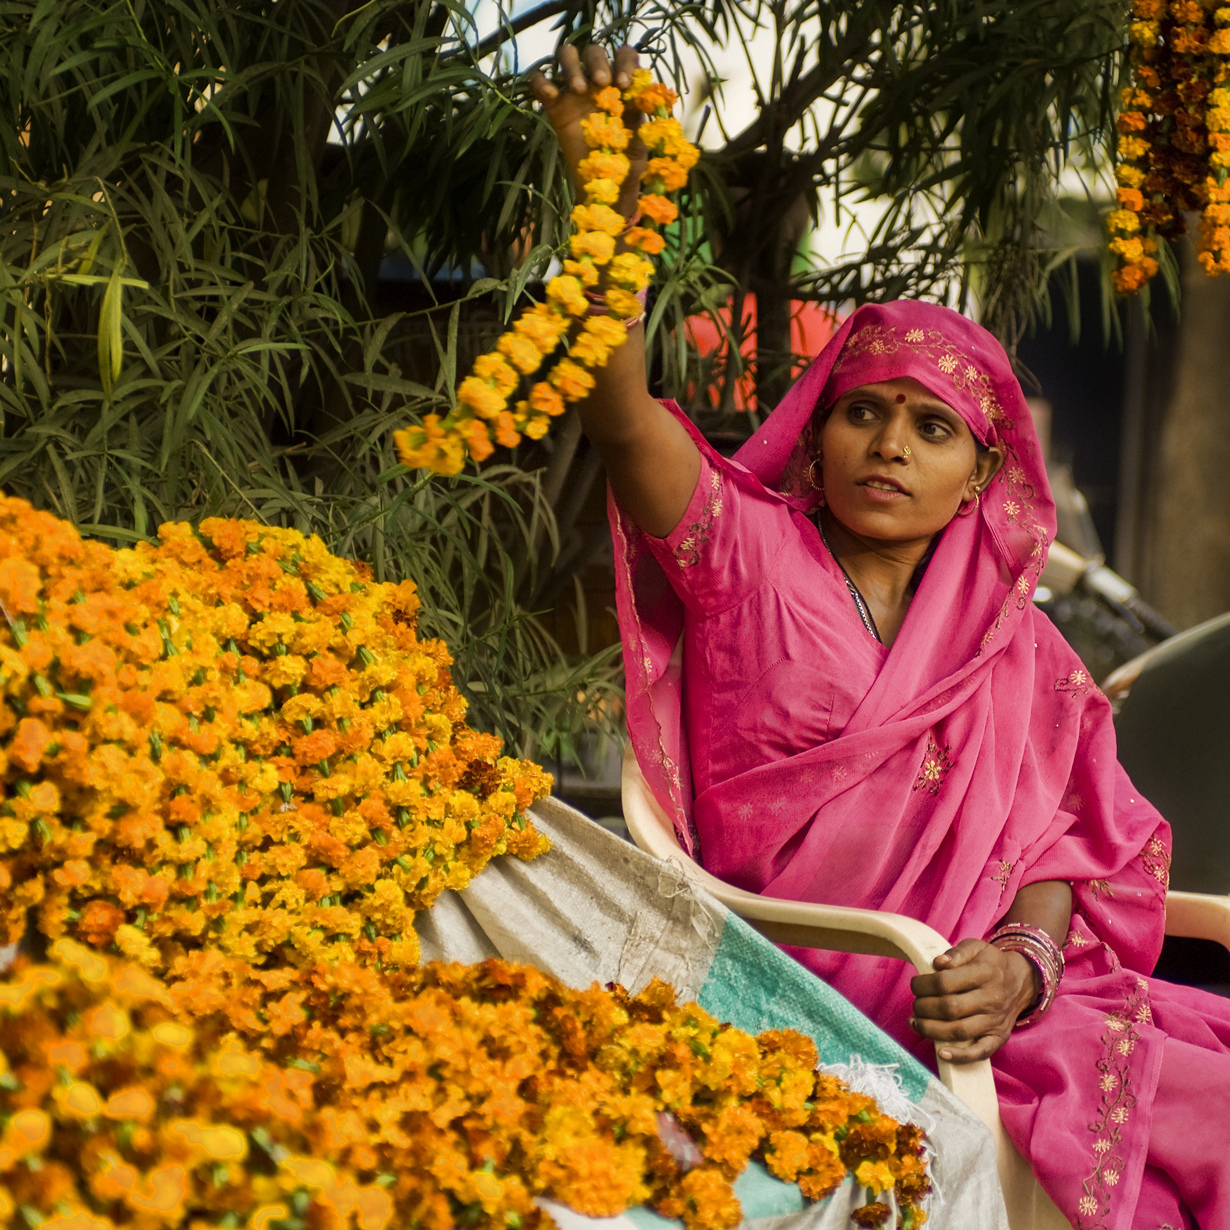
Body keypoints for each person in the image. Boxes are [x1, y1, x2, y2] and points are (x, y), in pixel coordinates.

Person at [531, 46, 1230, 1230]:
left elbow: (1058, 850)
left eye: (930, 427)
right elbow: (617, 407)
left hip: (984, 998)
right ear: (818, 436)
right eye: (864, 411)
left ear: (980, 479)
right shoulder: (742, 550)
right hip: (799, 971)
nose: (891, 444)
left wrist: (1024, 965)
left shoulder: (1022, 651)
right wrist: (600, 185)